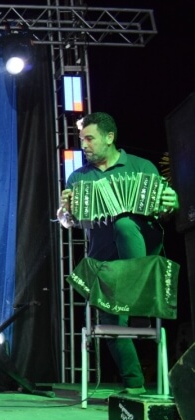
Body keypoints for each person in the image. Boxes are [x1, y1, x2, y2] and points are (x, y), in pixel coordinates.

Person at [57, 112, 178, 395]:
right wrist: (66, 212)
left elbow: (163, 211)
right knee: (110, 324)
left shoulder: (141, 166)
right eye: (81, 139)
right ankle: (134, 384)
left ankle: (137, 303)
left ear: (110, 138)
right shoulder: (78, 177)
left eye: (90, 138)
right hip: (104, 261)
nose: (84, 145)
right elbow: (68, 221)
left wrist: (172, 203)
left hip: (143, 253)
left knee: (124, 224)